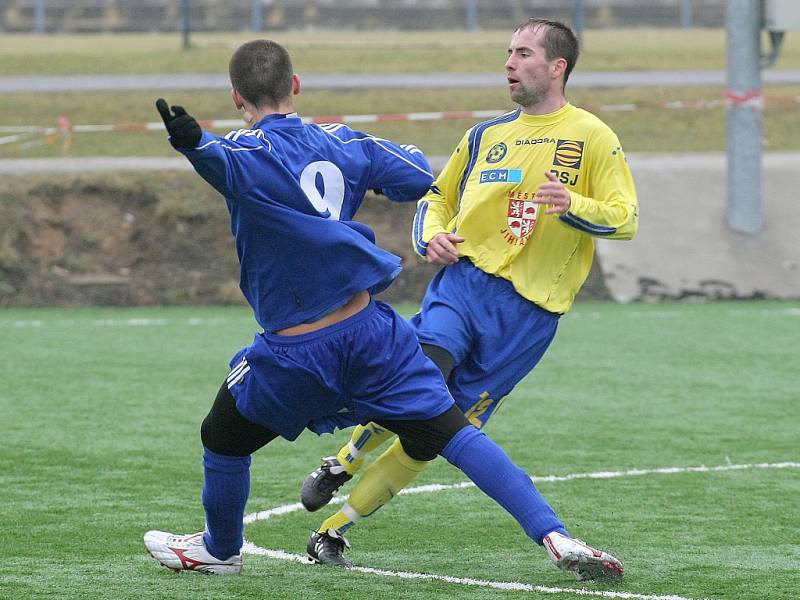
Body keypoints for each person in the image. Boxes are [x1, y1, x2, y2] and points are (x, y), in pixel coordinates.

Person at [142, 39, 624, 582]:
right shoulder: (345, 142)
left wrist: (192, 143)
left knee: (223, 438)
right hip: (372, 332)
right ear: (295, 86)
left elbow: (222, 160)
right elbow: (419, 175)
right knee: (455, 433)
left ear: (236, 97)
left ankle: (221, 549)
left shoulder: (247, 152)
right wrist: (361, 177)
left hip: (297, 349)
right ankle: (555, 536)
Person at [301, 18, 638, 576]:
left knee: (436, 432)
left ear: (557, 67)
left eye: (523, 53)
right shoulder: (484, 135)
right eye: (508, 52)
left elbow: (625, 218)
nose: (509, 62)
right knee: (421, 377)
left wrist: (575, 204)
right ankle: (343, 462)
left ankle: (331, 532)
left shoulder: (594, 137)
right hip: (464, 286)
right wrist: (430, 236)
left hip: (530, 317)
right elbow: (436, 197)